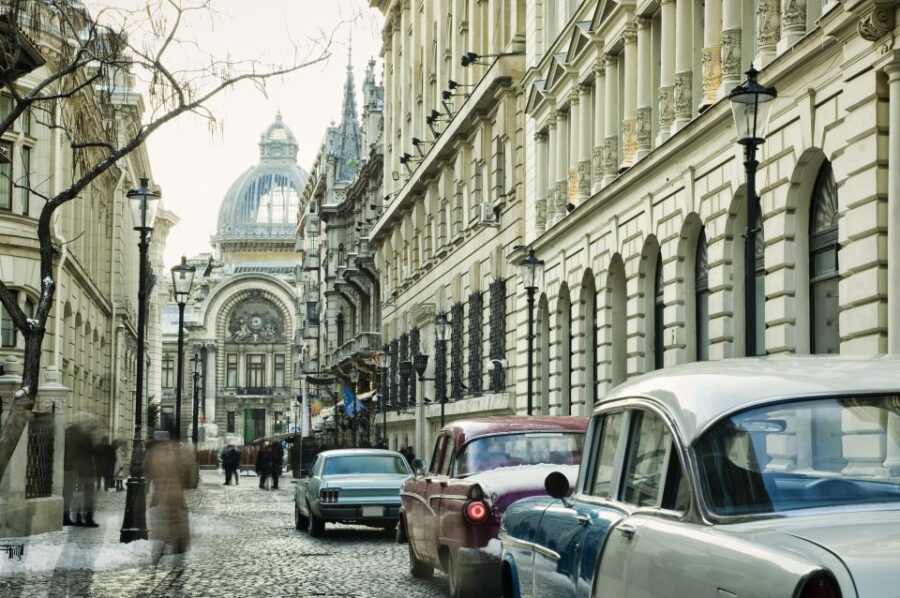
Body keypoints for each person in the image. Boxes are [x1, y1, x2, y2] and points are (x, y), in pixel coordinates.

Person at [144, 440, 192, 554]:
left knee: (163, 519)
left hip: (161, 492)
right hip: (174, 491)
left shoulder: (154, 452)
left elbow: (146, 468)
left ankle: (162, 544)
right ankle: (179, 542)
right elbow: (187, 465)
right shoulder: (177, 450)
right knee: (176, 517)